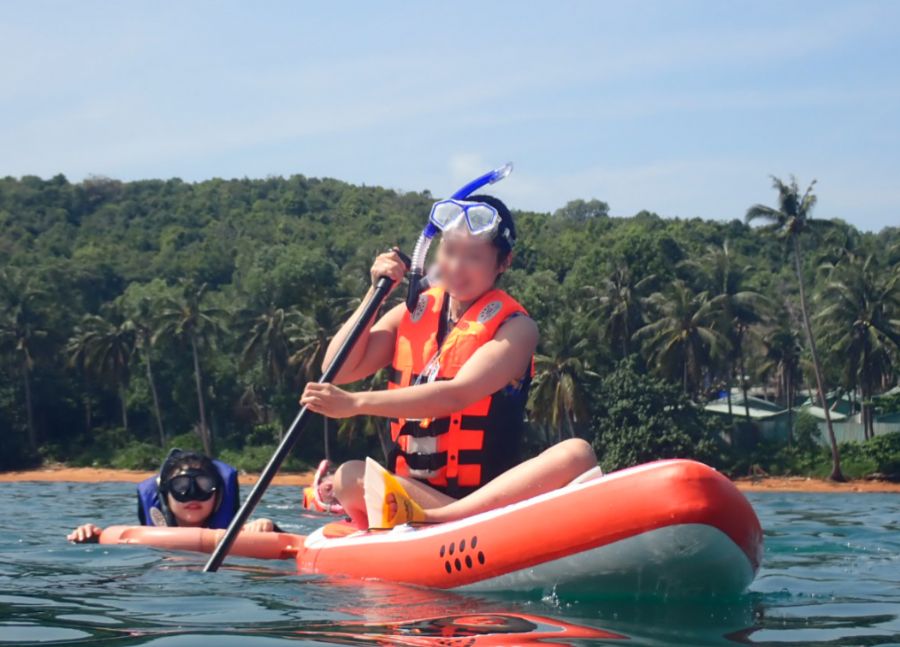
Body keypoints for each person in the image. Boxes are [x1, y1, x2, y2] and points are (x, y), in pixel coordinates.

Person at [300, 190, 598, 529]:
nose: (456, 266)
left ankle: (436, 520)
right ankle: (423, 519)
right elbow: (337, 368)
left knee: (577, 454)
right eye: (450, 251)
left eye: (473, 257)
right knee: (348, 476)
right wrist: (375, 293)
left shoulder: (517, 328)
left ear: (503, 263)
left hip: (486, 504)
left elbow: (457, 394)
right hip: (415, 497)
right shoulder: (413, 313)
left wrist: (356, 404)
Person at [68, 449, 276, 543]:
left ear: (218, 495)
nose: (193, 495)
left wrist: (269, 529)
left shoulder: (242, 536)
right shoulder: (144, 538)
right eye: (181, 486)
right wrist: (92, 537)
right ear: (166, 494)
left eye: (204, 485)